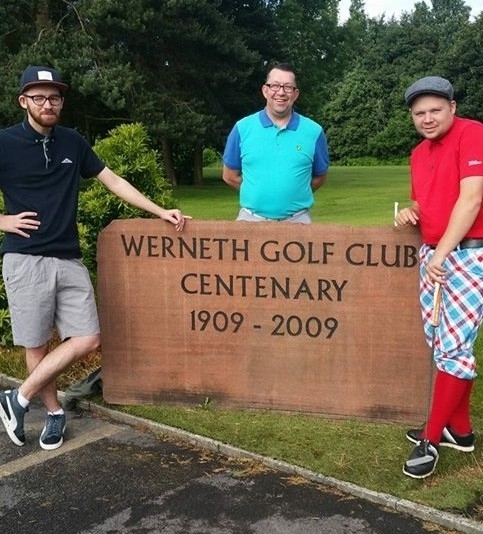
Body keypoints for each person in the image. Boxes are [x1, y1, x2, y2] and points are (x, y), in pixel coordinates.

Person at [0, 65, 190, 450]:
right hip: (25, 259)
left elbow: (113, 180)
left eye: (54, 97)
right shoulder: (4, 143)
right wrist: (2, 219)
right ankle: (53, 414)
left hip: (67, 257)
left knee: (88, 338)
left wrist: (158, 211)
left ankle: (16, 399)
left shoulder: (72, 142)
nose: (48, 103)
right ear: (23, 102)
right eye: (39, 97)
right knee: (36, 345)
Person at [395, 75, 483, 479]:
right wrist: (409, 212)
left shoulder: (473, 134)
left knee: (452, 346)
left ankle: (430, 439)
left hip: (467, 254)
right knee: (443, 341)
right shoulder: (418, 153)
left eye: (434, 110)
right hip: (436, 253)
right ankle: (460, 430)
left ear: (452, 107)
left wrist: (442, 253)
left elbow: (472, 199)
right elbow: (425, 198)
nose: (427, 118)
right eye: (419, 113)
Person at [222, 62, 329, 223]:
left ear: (295, 94)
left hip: (298, 221)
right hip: (250, 220)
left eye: (287, 87)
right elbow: (229, 176)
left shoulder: (314, 132)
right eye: (275, 86)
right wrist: (255, 191)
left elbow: (320, 177)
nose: (281, 92)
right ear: (265, 90)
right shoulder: (242, 128)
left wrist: (296, 194)